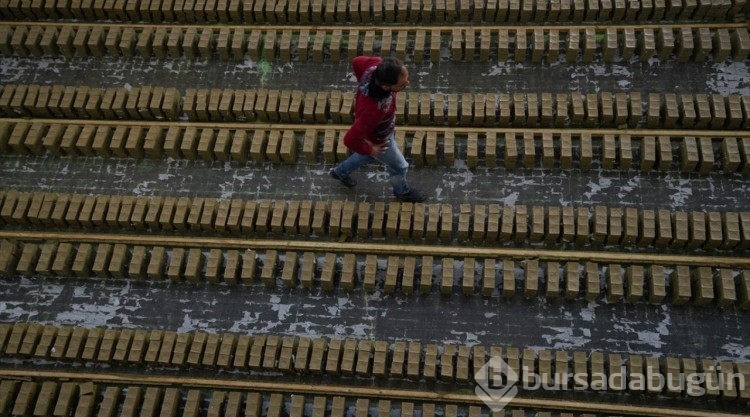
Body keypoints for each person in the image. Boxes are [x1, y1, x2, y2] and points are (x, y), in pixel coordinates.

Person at [329, 56, 426, 203]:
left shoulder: (375, 66)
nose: (408, 83)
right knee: (400, 166)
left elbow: (356, 61)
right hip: (379, 138)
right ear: (386, 87)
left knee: (366, 155)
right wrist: (371, 148)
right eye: (402, 85)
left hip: (375, 128)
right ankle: (402, 192)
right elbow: (350, 139)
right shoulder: (374, 111)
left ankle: (339, 172)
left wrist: (361, 81)